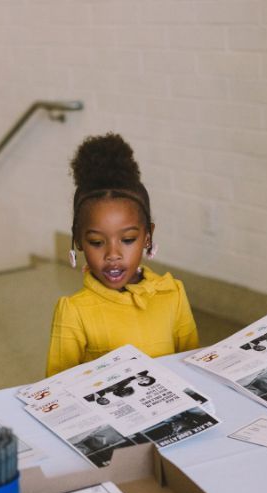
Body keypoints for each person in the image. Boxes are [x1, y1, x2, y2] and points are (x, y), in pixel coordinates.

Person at [45, 132, 199, 376]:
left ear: (148, 236)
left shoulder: (172, 294)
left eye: (127, 240)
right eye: (97, 242)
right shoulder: (74, 311)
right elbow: (57, 387)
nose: (113, 254)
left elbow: (193, 369)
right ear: (78, 241)